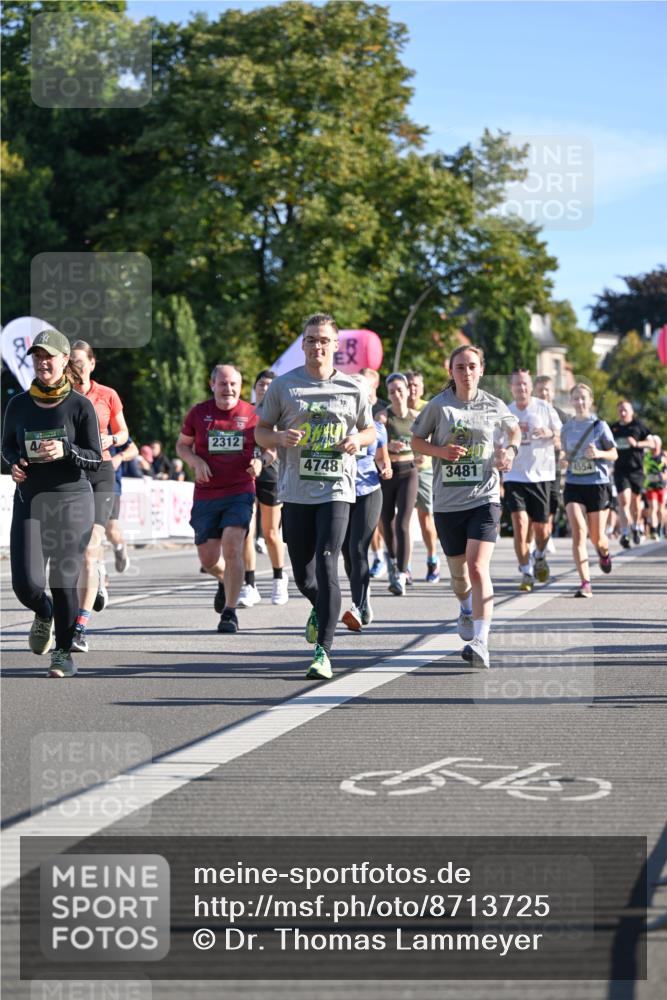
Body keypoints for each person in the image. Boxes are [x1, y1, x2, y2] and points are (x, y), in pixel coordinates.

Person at [255, 312, 375, 680]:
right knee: (304, 576)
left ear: (336, 346)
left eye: (324, 340)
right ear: (303, 344)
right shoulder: (284, 387)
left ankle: (324, 651)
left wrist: (358, 439)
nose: (317, 346)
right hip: (296, 491)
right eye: (311, 340)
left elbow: (370, 430)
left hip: (337, 489)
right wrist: (278, 438)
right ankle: (319, 608)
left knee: (328, 564)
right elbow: (260, 431)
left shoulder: (353, 387)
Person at [411, 345, 520, 670]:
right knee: (459, 574)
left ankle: (481, 641)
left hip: (485, 497)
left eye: (472, 366)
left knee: (477, 567)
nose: (467, 372)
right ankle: (465, 607)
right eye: (460, 367)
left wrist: (510, 451)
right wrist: (441, 452)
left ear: (481, 370)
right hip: (447, 502)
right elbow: (416, 440)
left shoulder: (493, 404)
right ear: (451, 371)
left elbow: (513, 428)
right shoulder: (439, 406)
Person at [2, 329, 101, 677]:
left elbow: (96, 458)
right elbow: (6, 448)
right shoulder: (18, 404)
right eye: (37, 356)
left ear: (63, 361)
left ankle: (62, 653)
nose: (43, 362)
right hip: (30, 500)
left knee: (63, 577)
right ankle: (42, 612)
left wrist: (68, 450)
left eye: (50, 356)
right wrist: (12, 464)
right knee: (25, 585)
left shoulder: (79, 405)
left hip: (72, 501)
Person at [176, 364, 263, 633]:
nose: (229, 389)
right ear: (212, 384)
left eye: (234, 384)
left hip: (240, 491)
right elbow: (182, 445)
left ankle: (230, 612)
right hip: (206, 494)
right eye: (223, 384)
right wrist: (194, 460)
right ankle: (225, 581)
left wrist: (261, 462)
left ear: (240, 385)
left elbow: (269, 449)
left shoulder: (252, 414)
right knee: (209, 559)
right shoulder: (199, 413)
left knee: (233, 546)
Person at [69, 340, 130, 654]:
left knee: (91, 548)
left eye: (81, 361)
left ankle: (80, 626)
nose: (76, 366)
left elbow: (123, 432)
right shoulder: (60, 396)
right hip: (70, 473)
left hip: (102, 470)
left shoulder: (107, 394)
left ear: (92, 363)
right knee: (72, 552)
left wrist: (111, 437)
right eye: (71, 361)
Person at [504, 369, 562, 591]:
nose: (522, 388)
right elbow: (498, 442)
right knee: (520, 524)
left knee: (542, 529)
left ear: (530, 386)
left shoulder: (544, 408)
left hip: (542, 475)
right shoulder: (506, 413)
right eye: (518, 384)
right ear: (512, 387)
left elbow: (560, 436)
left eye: (525, 384)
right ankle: (526, 571)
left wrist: (549, 434)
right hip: (515, 476)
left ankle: (539, 555)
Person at [341, 384, 392, 631]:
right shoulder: (338, 425)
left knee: (357, 547)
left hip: (369, 491)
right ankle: (363, 595)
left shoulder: (377, 427)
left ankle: (358, 606)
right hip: (341, 494)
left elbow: (382, 458)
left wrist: (386, 468)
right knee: (346, 553)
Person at [561, 384, 617, 598]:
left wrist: (600, 453)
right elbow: (566, 455)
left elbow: (614, 454)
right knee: (578, 531)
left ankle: (604, 553)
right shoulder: (566, 429)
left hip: (597, 485)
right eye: (576, 398)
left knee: (597, 538)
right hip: (574, 485)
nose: (580, 402)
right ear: (571, 401)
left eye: (583, 398)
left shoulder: (600, 425)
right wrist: (564, 461)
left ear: (590, 400)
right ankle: (585, 583)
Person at [380, 373, 419, 596]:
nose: (396, 394)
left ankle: (402, 574)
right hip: (387, 473)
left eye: (400, 390)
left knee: (403, 523)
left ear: (407, 391)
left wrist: (420, 453)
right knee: (386, 520)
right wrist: (387, 446)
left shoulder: (416, 417)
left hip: (409, 473)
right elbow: (375, 442)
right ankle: (393, 561)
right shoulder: (384, 417)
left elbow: (425, 443)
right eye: (392, 391)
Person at [252, 369, 289, 606]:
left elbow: (277, 448)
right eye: (261, 384)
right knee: (244, 532)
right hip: (244, 475)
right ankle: (248, 582)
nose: (265, 388)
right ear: (254, 387)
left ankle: (278, 577)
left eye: (269, 385)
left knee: (271, 533)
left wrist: (263, 459)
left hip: (270, 475)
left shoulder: (279, 414)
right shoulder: (245, 412)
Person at [406, 370, 440, 583]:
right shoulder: (395, 408)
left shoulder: (429, 408)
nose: (412, 389)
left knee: (425, 518)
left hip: (425, 469)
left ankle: (432, 558)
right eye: (408, 385)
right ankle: (404, 565)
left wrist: (424, 452)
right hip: (404, 470)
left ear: (422, 388)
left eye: (416, 385)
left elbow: (437, 437)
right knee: (405, 521)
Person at [610, 400, 653, 547]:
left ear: (631, 412)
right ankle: (625, 533)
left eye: (625, 410)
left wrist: (637, 444)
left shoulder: (638, 426)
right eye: (620, 410)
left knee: (635, 503)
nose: (622, 413)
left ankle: (635, 527)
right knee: (623, 500)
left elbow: (652, 443)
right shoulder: (613, 428)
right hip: (620, 470)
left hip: (636, 470)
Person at [534, 375, 568, 545]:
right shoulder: (529, 413)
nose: (544, 393)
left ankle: (546, 534)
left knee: (552, 503)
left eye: (547, 389)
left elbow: (568, 441)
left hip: (554, 467)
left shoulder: (561, 415)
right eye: (540, 390)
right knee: (536, 505)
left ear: (553, 392)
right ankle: (539, 537)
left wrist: (561, 447)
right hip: (533, 467)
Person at [107, 437, 138, 574]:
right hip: (85, 484)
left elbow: (133, 449)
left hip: (111, 485)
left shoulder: (111, 423)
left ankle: (119, 546)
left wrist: (120, 457)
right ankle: (100, 577)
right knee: (91, 534)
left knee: (111, 531)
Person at [643, 435, 666, 540]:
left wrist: (663, 476)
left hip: (662, 486)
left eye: (657, 442)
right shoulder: (646, 456)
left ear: (660, 444)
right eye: (654, 443)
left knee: (661, 509)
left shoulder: (664, 455)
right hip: (650, 486)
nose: (655, 445)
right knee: (653, 508)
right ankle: (655, 531)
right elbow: (642, 470)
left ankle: (661, 528)